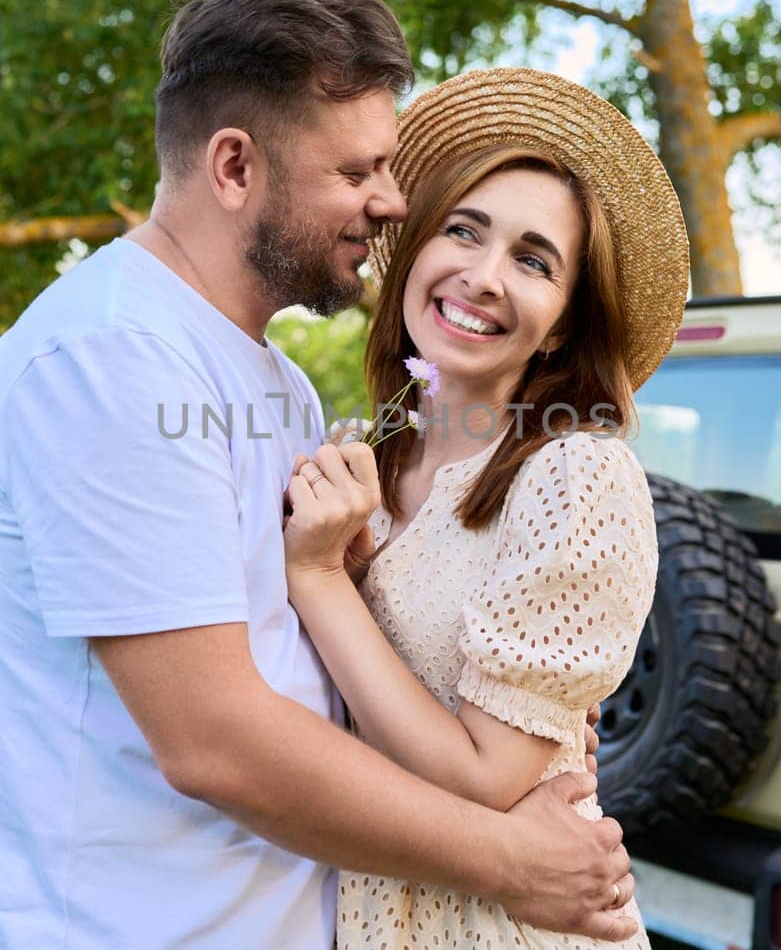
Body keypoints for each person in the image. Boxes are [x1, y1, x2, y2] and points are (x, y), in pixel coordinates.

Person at [0, 0, 639, 947]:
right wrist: (511, 857)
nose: (393, 205)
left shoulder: (285, 389)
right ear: (233, 166)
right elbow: (214, 741)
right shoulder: (110, 356)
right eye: (355, 173)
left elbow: (313, 651)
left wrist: (535, 727)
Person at [281, 67, 691, 947]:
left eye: (533, 260)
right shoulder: (365, 452)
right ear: (419, 247)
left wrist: (319, 579)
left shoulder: (575, 476)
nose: (483, 275)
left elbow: (488, 777)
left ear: (563, 326)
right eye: (463, 231)